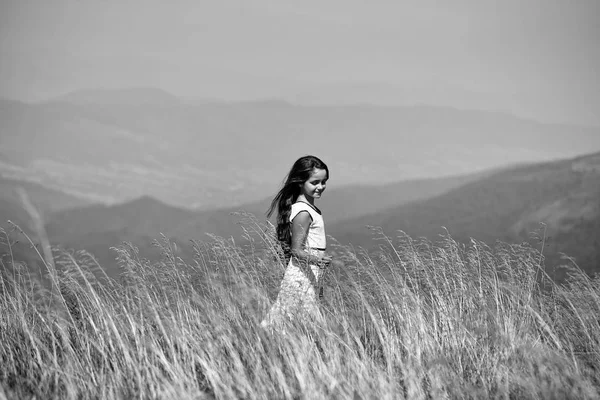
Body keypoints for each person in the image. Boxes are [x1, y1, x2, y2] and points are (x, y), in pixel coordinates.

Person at [260, 155, 332, 330]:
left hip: (308, 272)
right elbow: (296, 250)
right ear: (300, 182)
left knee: (293, 322)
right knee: (297, 323)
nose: (320, 187)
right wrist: (318, 260)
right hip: (302, 275)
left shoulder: (308, 210)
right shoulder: (304, 212)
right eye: (315, 182)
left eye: (323, 182)